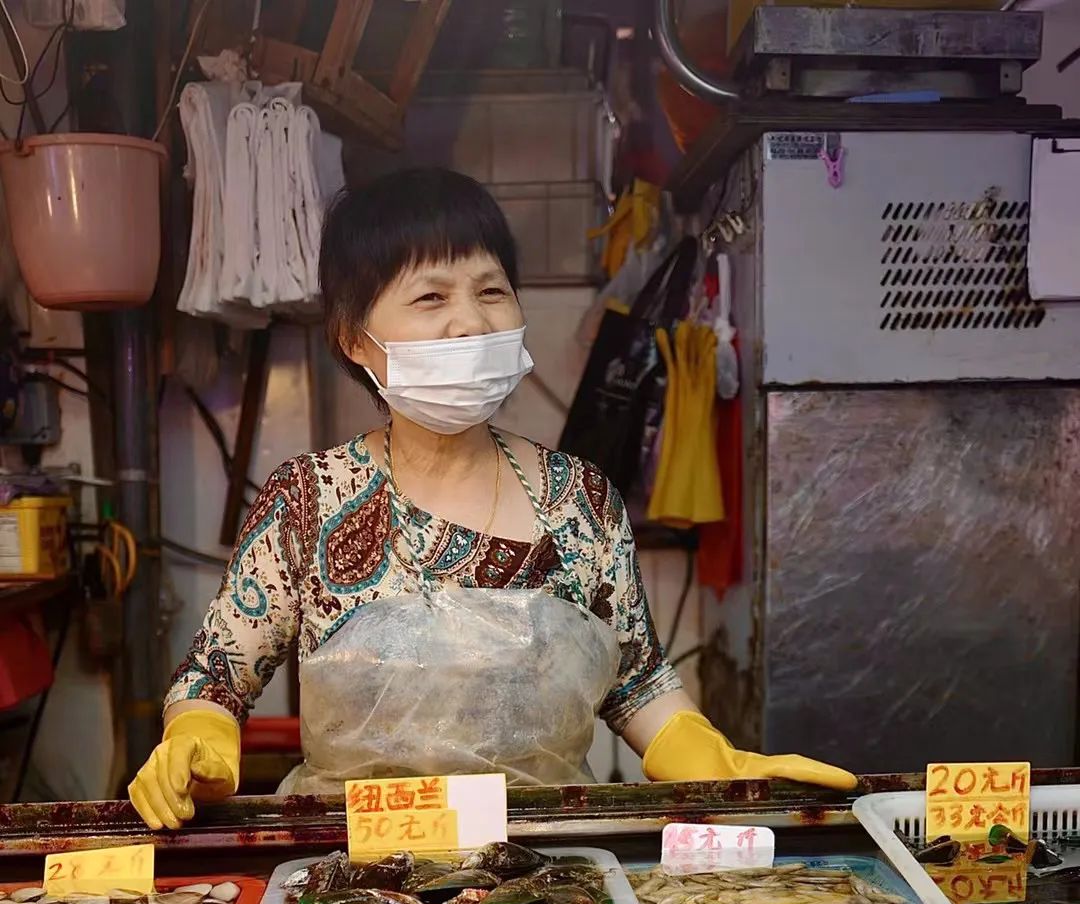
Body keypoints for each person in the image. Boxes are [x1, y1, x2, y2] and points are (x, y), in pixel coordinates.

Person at [129, 168, 854, 831]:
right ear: (356, 339)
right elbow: (215, 674)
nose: (470, 322)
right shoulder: (307, 502)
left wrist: (713, 759)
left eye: (491, 290)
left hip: (548, 868)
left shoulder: (580, 500)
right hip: (353, 869)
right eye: (431, 297)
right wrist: (198, 737)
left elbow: (636, 683)